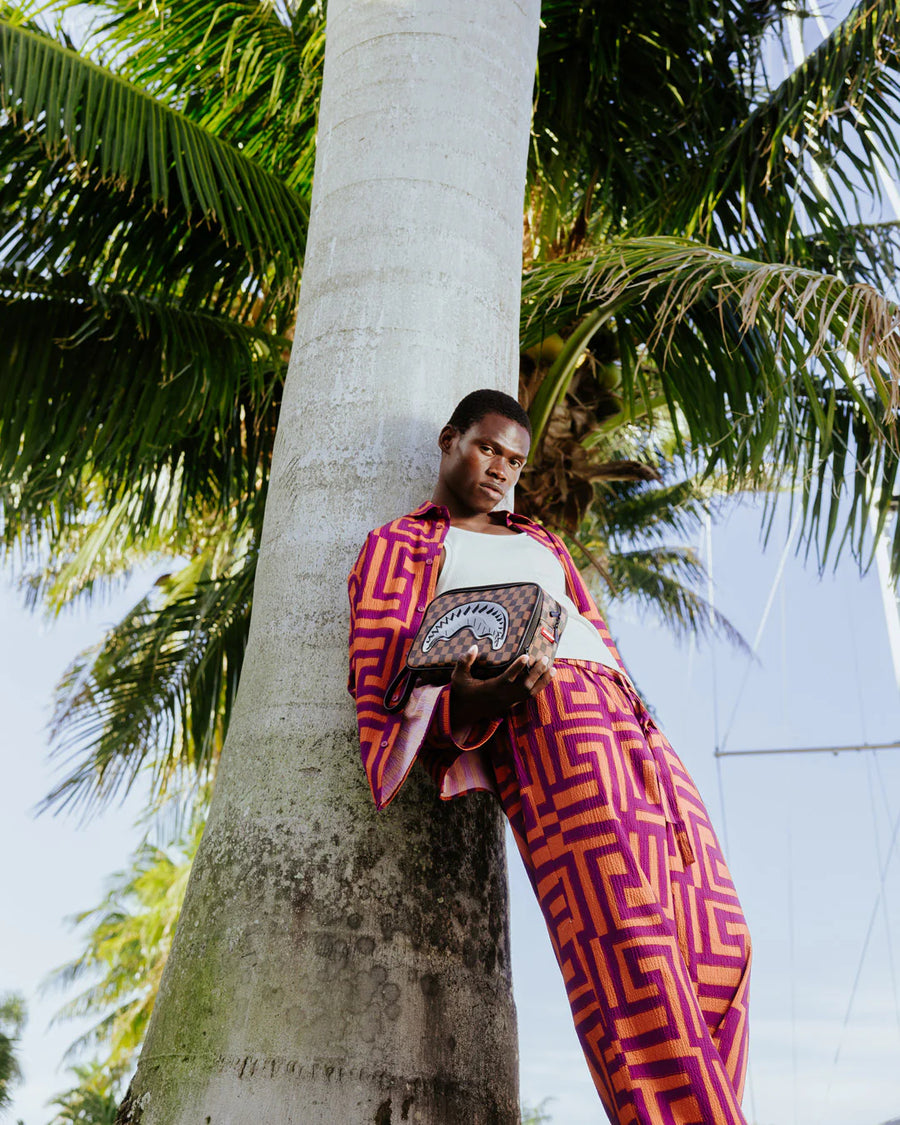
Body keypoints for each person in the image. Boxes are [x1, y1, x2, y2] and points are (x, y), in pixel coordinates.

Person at [347, 388, 751, 1125]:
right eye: (488, 448)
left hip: (633, 723)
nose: (502, 467)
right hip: (549, 718)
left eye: (515, 459)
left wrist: (641, 718)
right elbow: (382, 686)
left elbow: (591, 628)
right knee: (629, 950)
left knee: (723, 945)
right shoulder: (399, 545)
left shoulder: (543, 542)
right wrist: (472, 704)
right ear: (450, 440)